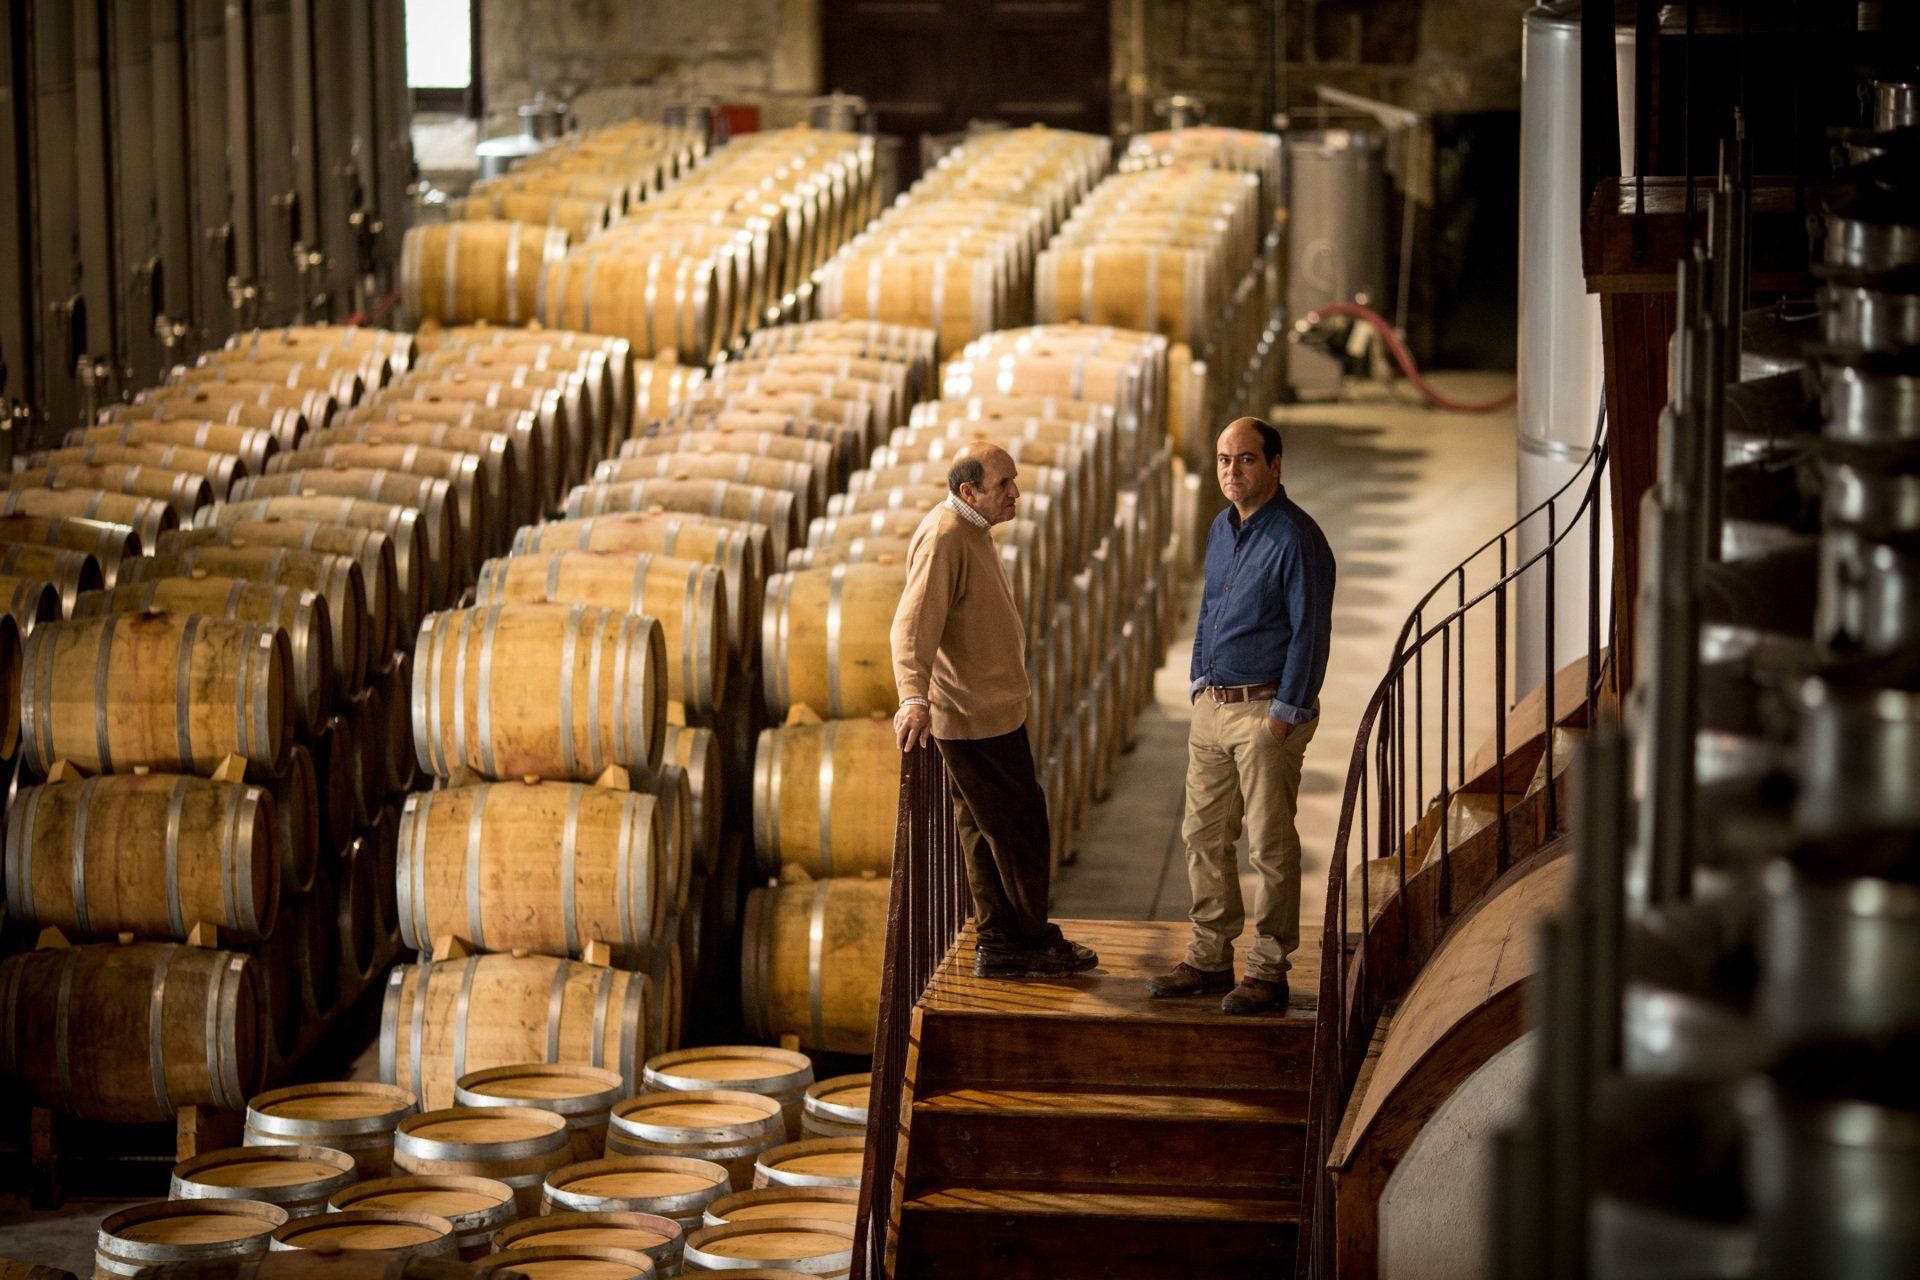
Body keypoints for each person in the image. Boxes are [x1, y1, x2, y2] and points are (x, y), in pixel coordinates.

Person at [890, 440, 1098, 979]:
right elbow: (910, 627)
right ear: (969, 491)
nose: (1015, 493)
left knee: (984, 835)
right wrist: (913, 697)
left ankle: (999, 942)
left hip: (989, 713)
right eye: (1003, 485)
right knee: (1022, 832)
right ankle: (1033, 940)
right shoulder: (946, 537)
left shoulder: (971, 530)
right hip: (973, 719)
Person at [1148, 416, 1335, 1014]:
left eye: (1247, 459)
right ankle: (1208, 956)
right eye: (1225, 460)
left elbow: (1310, 634)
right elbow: (1208, 613)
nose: (1233, 471)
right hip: (1214, 707)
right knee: (1203, 836)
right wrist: (1199, 681)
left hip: (1264, 712)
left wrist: (1283, 717)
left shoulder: (1297, 539)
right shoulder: (1221, 531)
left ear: (1276, 465)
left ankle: (1269, 967)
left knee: (1270, 848)